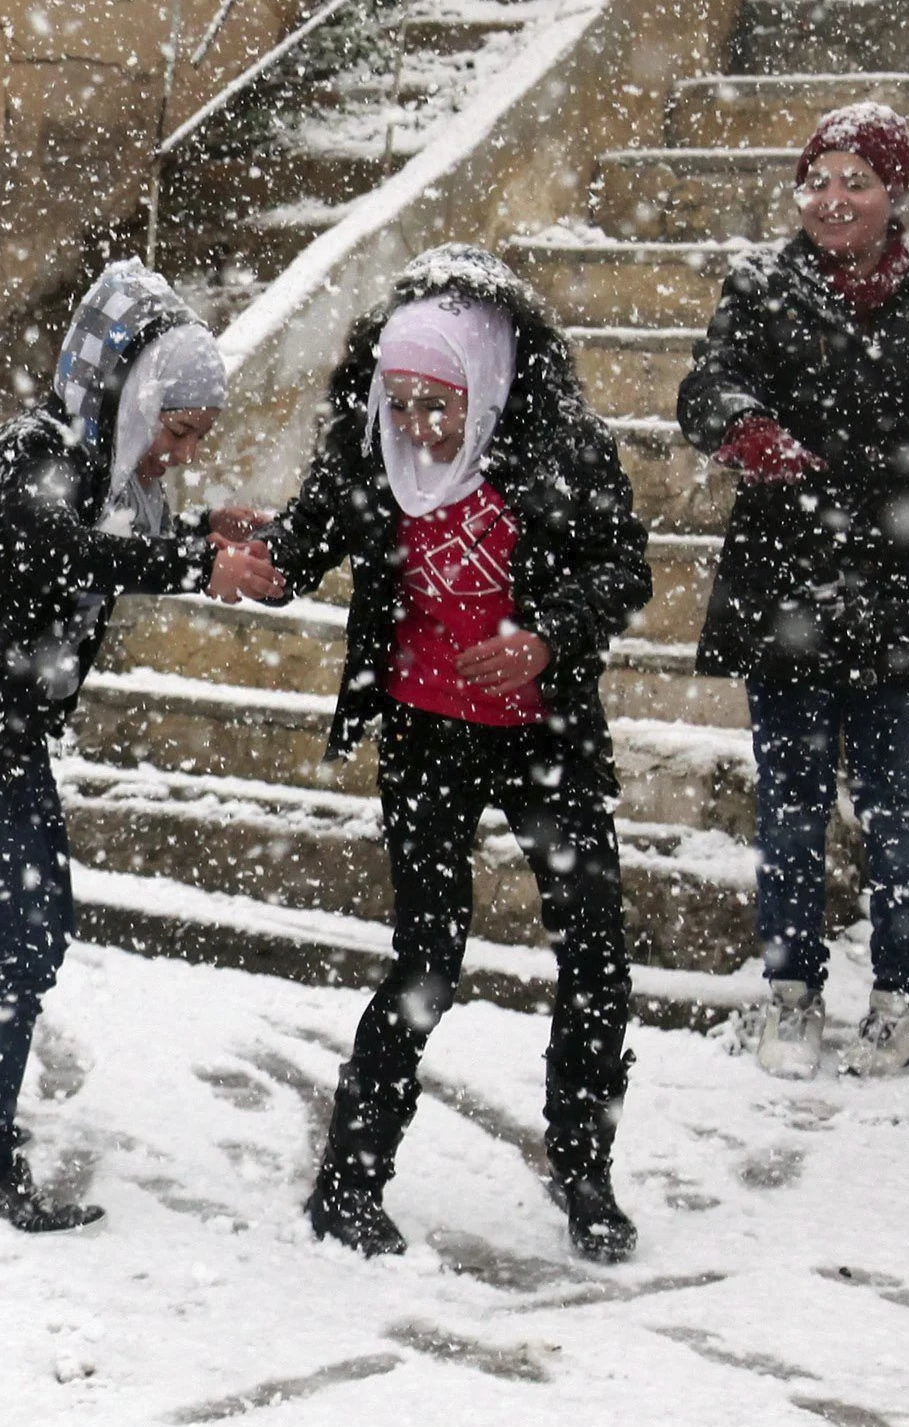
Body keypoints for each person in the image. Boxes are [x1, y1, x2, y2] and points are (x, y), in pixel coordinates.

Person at [237, 245, 655, 1265]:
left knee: (594, 954)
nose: (418, 428)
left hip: (543, 738)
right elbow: (299, 546)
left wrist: (545, 638)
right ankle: (350, 1181)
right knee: (427, 959)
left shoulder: (558, 454)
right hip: (426, 739)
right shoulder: (368, 453)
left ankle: (585, 1169)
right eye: (402, 402)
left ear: (491, 382)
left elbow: (622, 569)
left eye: (440, 405)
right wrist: (256, 567)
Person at [0, 260, 267, 1227]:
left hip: (0, 737)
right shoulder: (32, 453)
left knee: (30, 929)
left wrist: (207, 531)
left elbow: (109, 540)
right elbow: (60, 551)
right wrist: (193, 559)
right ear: (130, 392)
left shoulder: (107, 475)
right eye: (175, 430)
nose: (177, 453)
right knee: (17, 939)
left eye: (193, 438)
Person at [681, 102, 909, 1083]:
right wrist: (746, 427)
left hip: (901, 581)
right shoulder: (761, 285)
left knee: (895, 806)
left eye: (856, 180)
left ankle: (903, 997)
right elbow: (705, 388)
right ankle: (791, 993)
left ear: (895, 194)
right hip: (785, 575)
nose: (833, 198)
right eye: (818, 179)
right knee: (792, 807)